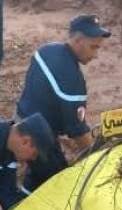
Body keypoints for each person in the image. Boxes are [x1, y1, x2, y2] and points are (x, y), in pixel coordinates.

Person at [15, 14, 111, 195]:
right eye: (93, 47)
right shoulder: (72, 79)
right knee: (59, 183)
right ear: (78, 40)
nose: (96, 55)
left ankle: (25, 197)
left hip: (22, 117)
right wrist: (99, 159)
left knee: (38, 173)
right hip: (37, 136)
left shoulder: (47, 50)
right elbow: (78, 131)